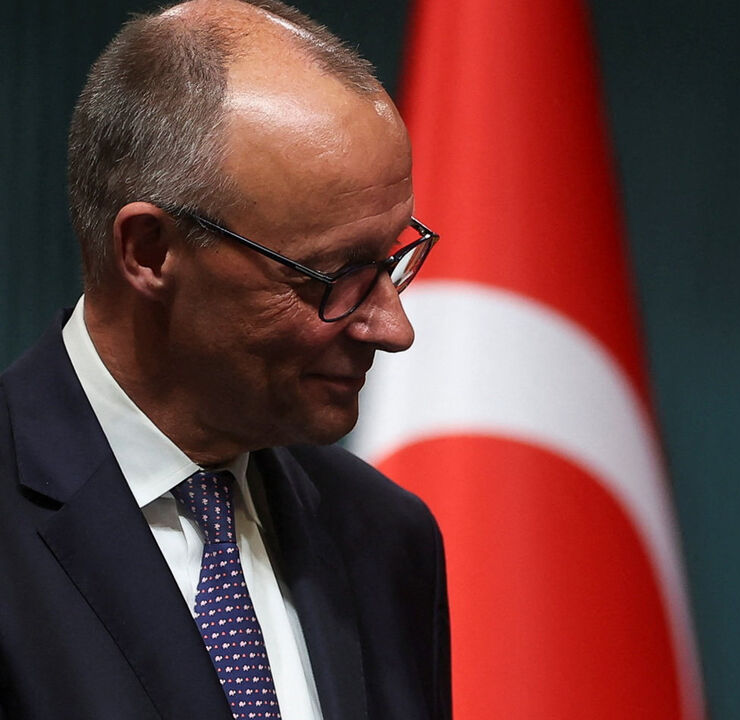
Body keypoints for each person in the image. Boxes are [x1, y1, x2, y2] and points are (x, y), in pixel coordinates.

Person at [0, 1, 450, 718]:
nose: (393, 328)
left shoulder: (388, 539)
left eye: (392, 259)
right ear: (149, 251)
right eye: (335, 275)